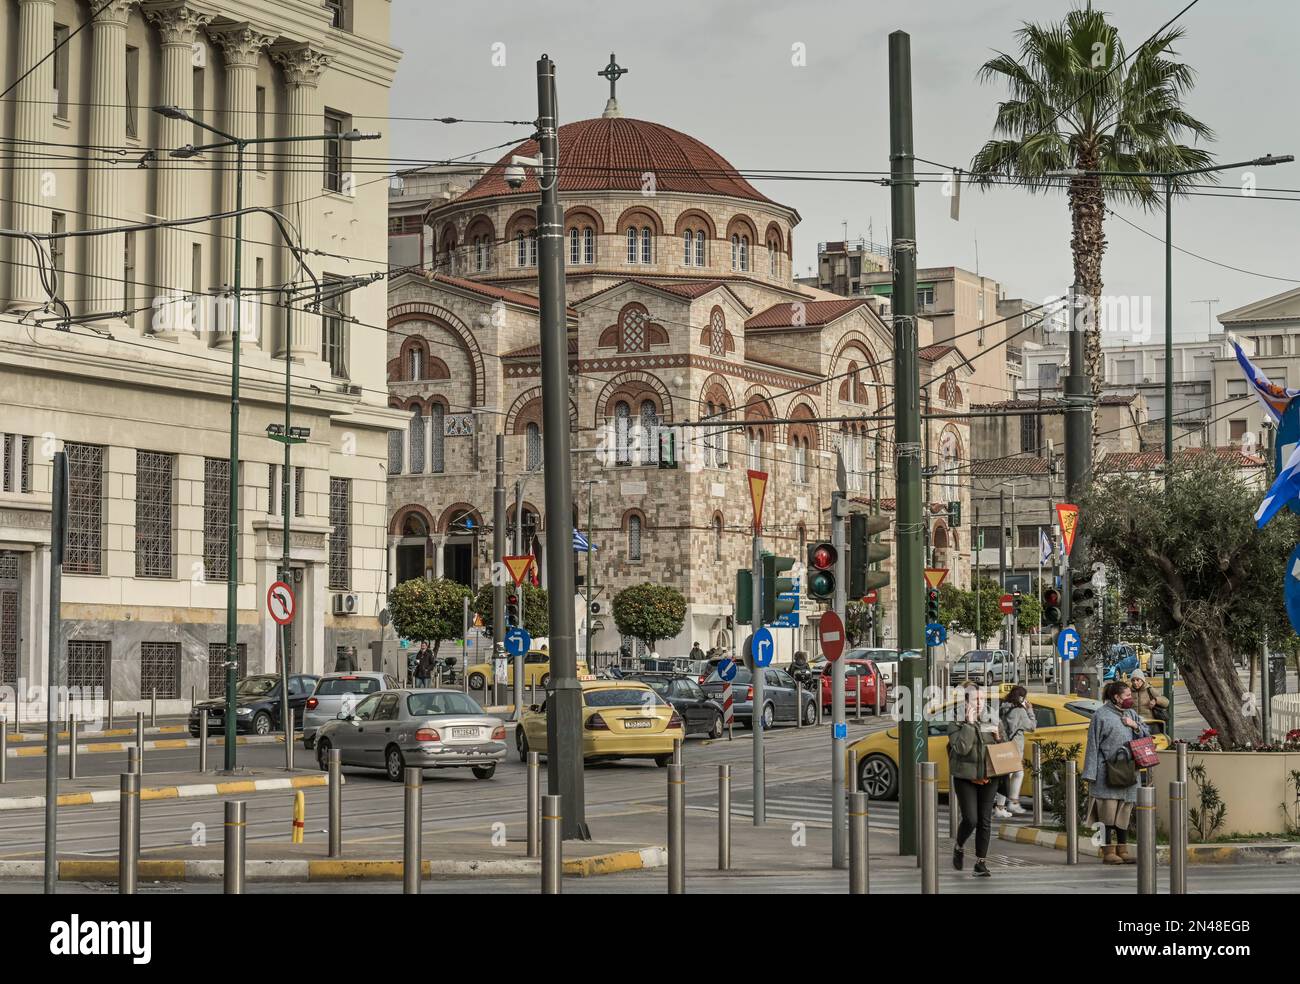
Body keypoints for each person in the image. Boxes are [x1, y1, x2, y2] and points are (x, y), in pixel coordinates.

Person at [1082, 680, 1150, 865]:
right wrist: (1090, 774)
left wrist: (1134, 725)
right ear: (1116, 697)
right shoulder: (1101, 716)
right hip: (1106, 772)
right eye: (1127, 695)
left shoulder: (1131, 714)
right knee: (1108, 814)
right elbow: (1093, 745)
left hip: (1129, 771)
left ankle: (1123, 849)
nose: (1130, 698)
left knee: (1124, 813)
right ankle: (1108, 851)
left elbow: (1146, 734)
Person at [948, 683, 1002, 878]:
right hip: (965, 777)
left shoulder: (993, 718)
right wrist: (969, 725)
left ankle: (980, 863)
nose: (980, 703)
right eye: (975, 699)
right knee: (971, 819)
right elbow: (961, 748)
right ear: (966, 702)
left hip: (989, 776)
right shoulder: (956, 721)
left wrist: (998, 738)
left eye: (982, 699)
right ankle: (959, 846)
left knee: (985, 821)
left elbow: (1003, 749)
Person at [995, 686, 1035, 816]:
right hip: (1015, 746)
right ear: (1021, 698)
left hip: (1002, 745)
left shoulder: (1002, 708)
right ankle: (1009, 804)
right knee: (1015, 775)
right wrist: (1030, 710)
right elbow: (1032, 727)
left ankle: (1005, 805)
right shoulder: (1020, 711)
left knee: (1009, 775)